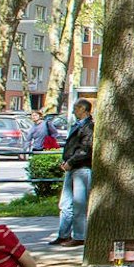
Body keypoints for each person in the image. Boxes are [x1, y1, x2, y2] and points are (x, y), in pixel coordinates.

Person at [50, 98, 93, 247]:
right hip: (72, 166)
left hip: (81, 168)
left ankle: (80, 236)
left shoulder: (89, 126)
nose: (74, 111)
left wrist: (71, 161)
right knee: (65, 202)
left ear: (83, 109)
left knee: (79, 204)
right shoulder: (78, 125)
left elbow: (86, 149)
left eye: (76, 108)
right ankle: (64, 234)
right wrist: (67, 161)